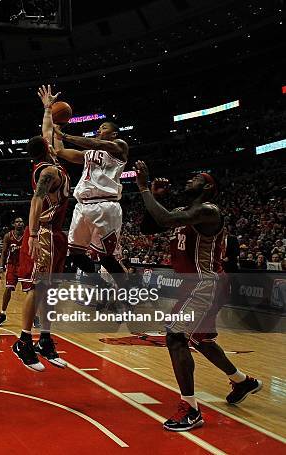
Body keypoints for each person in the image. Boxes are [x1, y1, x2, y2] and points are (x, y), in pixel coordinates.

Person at [135, 161, 262, 432]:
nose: (188, 180)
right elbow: (149, 227)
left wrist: (143, 187)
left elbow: (167, 220)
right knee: (200, 340)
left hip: (205, 283)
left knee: (175, 336)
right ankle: (242, 381)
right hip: (193, 284)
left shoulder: (208, 211)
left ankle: (191, 410)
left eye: (196, 178)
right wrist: (155, 197)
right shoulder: (184, 211)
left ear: (208, 187)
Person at [12, 85, 70, 371]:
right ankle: (23, 342)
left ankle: (45, 339)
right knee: (36, 287)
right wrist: (33, 234)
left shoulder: (52, 161)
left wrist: (48, 108)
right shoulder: (47, 172)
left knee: (50, 290)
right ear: (46, 149)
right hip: (43, 233)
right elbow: (35, 203)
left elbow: (47, 130)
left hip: (58, 234)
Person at [53, 118, 129, 290]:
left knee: (106, 258)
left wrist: (65, 135)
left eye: (103, 127)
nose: (99, 130)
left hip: (105, 206)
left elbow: (96, 143)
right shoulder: (88, 154)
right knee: (75, 254)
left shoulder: (119, 146)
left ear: (114, 134)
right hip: (82, 206)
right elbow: (60, 151)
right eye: (99, 128)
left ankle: (127, 294)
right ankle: (102, 286)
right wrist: (56, 128)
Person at [0, 217, 25, 327]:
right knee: (8, 288)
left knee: (30, 291)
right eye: (17, 221)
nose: (19, 223)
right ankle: (3, 313)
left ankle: (34, 316)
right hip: (12, 265)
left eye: (21, 221)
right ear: (13, 224)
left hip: (25, 265)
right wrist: (1, 267)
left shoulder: (28, 234)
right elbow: (4, 252)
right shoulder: (8, 236)